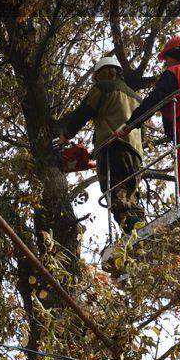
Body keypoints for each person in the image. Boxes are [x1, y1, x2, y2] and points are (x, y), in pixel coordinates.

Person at [114, 36, 180, 201]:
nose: (166, 63)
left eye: (166, 59)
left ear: (172, 56)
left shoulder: (174, 72)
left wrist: (130, 124)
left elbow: (154, 100)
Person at [59, 56, 144, 233]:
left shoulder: (102, 88)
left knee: (116, 195)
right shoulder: (136, 97)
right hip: (135, 154)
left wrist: (65, 136)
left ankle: (131, 233)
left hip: (112, 147)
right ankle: (142, 231)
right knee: (132, 196)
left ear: (101, 75)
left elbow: (84, 112)